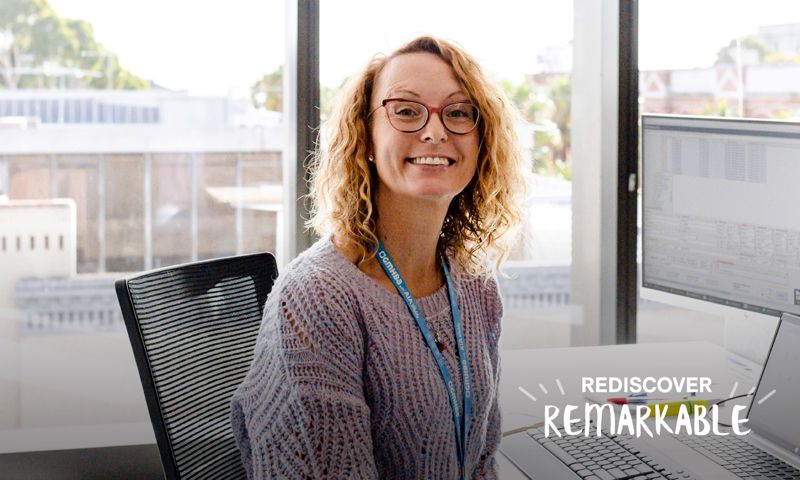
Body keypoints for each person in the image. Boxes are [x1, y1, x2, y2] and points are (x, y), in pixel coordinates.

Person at [230, 35, 525, 479]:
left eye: (459, 112)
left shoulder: (472, 282)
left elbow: (481, 458)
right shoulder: (317, 298)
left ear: (482, 140)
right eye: (405, 111)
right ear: (365, 135)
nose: (435, 131)